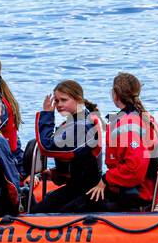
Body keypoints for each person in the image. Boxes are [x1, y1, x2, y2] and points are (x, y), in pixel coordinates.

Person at [87, 72, 158, 212]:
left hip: (134, 194)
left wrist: (105, 179)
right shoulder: (144, 117)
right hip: (141, 189)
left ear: (115, 94)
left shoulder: (128, 125)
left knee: (77, 204)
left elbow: (134, 167)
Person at [31, 80, 104, 214]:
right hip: (76, 185)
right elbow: (75, 159)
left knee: (41, 213)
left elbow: (47, 147)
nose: (58, 105)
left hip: (87, 189)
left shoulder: (84, 125)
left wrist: (47, 115)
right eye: (57, 101)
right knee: (39, 209)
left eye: (63, 100)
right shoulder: (74, 122)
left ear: (78, 99)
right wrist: (56, 173)